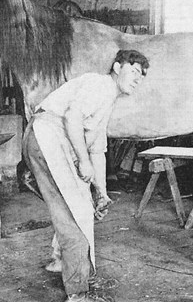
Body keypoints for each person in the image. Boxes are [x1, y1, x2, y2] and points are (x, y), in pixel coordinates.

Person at [23, 50, 149, 302]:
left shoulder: (107, 99)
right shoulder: (100, 84)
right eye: (134, 70)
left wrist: (101, 192)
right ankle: (78, 293)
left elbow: (97, 151)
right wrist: (82, 161)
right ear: (116, 66)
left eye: (142, 75)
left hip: (44, 138)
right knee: (76, 217)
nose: (138, 78)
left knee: (79, 210)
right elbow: (71, 118)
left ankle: (65, 265)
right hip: (50, 136)